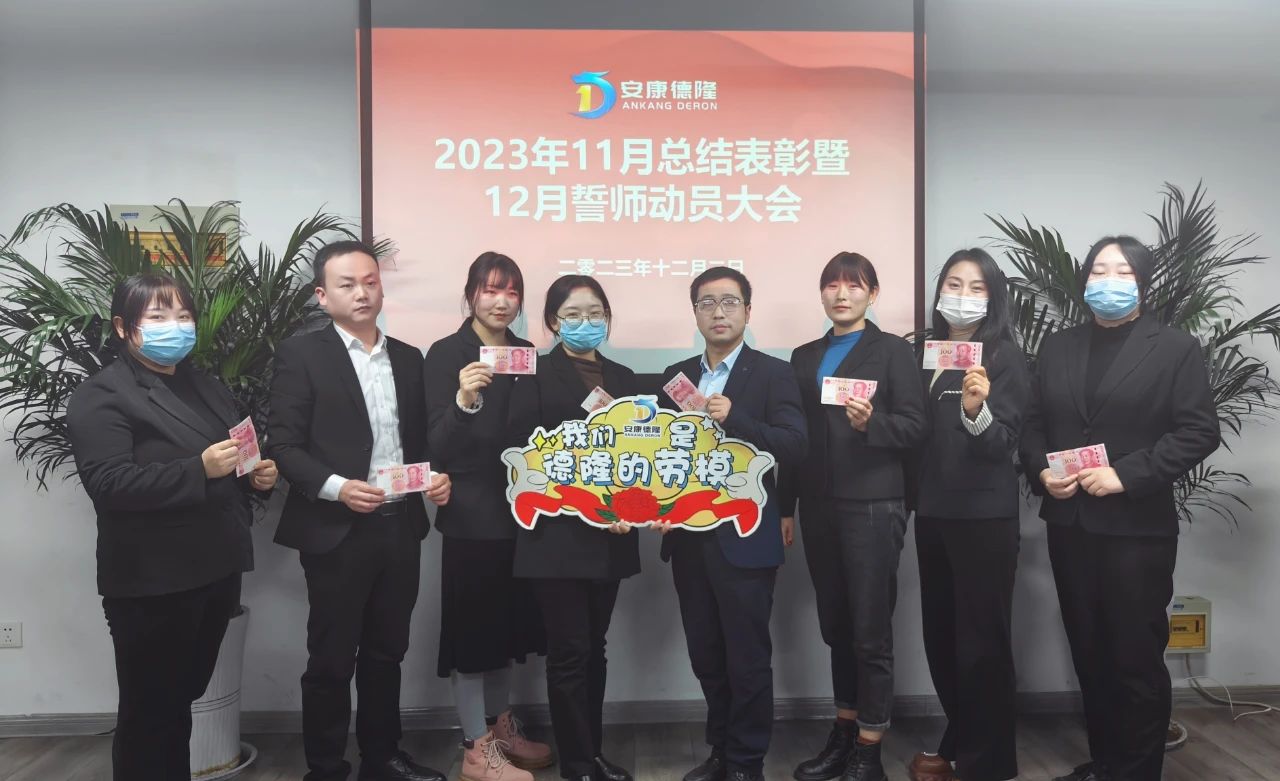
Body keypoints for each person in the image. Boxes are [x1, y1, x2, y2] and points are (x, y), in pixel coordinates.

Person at [1020, 236, 1219, 781]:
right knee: (1089, 653)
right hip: (1070, 524)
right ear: (1084, 280)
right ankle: (1106, 763)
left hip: (1137, 530)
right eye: (1099, 270)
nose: (1109, 280)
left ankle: (1136, 772)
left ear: (1143, 283)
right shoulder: (1058, 347)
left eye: (1123, 271)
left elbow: (1200, 430)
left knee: (1134, 657)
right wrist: (1041, 471)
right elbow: (1033, 424)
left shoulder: (1175, 348)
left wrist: (1126, 475)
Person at [67, 272, 278, 780]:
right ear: (124, 327)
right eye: (158, 316)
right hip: (152, 583)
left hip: (215, 571)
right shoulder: (102, 395)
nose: (176, 326)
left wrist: (256, 477)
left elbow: (235, 456)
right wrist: (197, 470)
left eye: (184, 316)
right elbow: (109, 484)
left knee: (178, 704)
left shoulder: (206, 385)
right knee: (151, 715)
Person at [269, 240, 452, 781]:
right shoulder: (302, 355)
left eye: (370, 282)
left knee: (386, 652)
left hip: (400, 526)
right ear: (322, 296)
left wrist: (435, 477)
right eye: (347, 284)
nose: (362, 293)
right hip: (337, 529)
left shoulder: (409, 358)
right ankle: (326, 767)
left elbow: (418, 441)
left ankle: (383, 756)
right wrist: (337, 488)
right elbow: (284, 445)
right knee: (331, 659)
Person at [778, 252, 927, 781]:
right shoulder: (804, 356)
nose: (842, 295)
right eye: (832, 286)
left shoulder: (893, 352)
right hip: (818, 505)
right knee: (836, 623)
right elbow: (794, 438)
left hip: (873, 504)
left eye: (854, 286)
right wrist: (786, 505)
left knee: (869, 628)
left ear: (873, 294)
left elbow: (917, 427)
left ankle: (870, 748)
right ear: (822, 294)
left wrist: (873, 424)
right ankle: (843, 732)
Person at [660, 267, 807, 781]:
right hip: (688, 538)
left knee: (746, 658)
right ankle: (721, 750)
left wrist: (736, 418)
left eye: (729, 302)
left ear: (748, 310)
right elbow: (662, 456)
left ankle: (746, 763)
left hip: (745, 536)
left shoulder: (773, 374)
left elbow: (795, 446)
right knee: (706, 654)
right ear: (695, 312)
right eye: (707, 303)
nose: (718, 312)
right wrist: (658, 506)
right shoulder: (675, 377)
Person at [423, 251, 550, 781]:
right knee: (472, 634)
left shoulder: (525, 354)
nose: (502, 301)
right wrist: (464, 398)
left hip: (523, 513)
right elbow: (434, 443)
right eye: (491, 290)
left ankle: (501, 729)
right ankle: (475, 749)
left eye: (512, 292)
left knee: (507, 630)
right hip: (471, 514)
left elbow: (538, 431)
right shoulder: (446, 353)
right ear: (471, 293)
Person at [507, 275, 639, 781]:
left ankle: (593, 753)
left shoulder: (624, 377)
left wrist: (630, 508)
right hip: (556, 536)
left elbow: (640, 454)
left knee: (594, 650)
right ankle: (578, 765)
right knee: (568, 653)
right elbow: (523, 451)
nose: (587, 322)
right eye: (573, 314)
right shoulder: (534, 373)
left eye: (596, 313)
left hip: (613, 535)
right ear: (552, 322)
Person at [906, 249, 1029, 781]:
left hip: (984, 519)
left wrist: (977, 412)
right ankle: (960, 743)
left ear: (993, 297)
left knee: (982, 645)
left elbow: (1005, 443)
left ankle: (988, 764)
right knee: (942, 637)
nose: (962, 295)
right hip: (933, 514)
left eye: (976, 287)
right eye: (953, 284)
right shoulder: (927, 353)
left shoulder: (1003, 357)